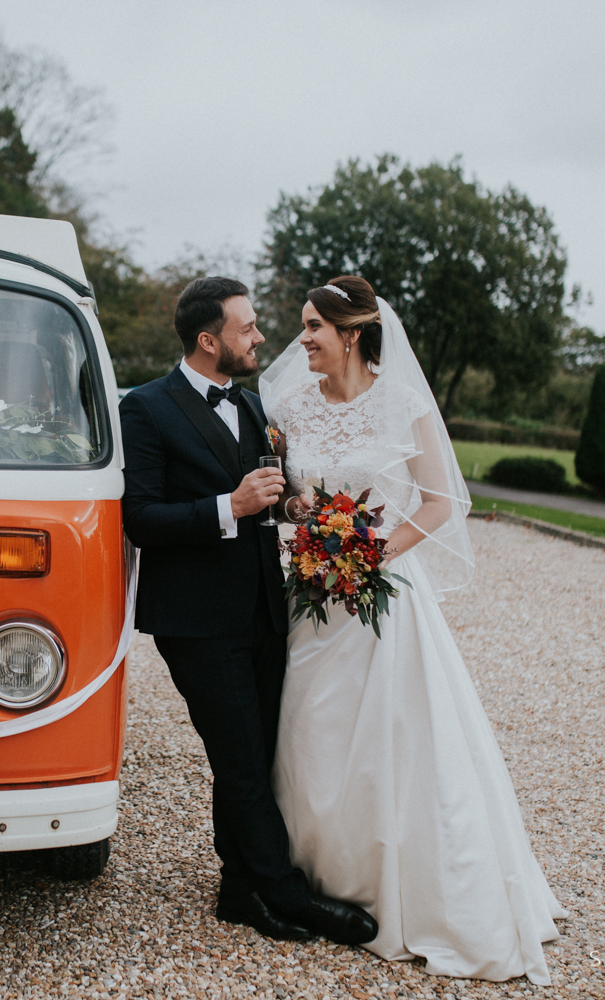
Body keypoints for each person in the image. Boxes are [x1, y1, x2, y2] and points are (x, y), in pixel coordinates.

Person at [261, 275, 567, 983]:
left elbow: (439, 501)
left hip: (381, 595)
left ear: (353, 334)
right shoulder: (290, 407)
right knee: (311, 723)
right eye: (302, 326)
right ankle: (316, 875)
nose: (301, 338)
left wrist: (371, 554)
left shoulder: (402, 405)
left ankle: (401, 888)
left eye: (313, 327)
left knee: (393, 736)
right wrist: (311, 526)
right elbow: (293, 493)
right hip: (312, 594)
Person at [119, 276, 378, 945]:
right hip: (196, 621)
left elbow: (271, 497)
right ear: (209, 341)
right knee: (238, 760)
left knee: (257, 757)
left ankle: (240, 890)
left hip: (266, 610)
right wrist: (227, 507)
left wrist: (288, 508)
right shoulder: (147, 409)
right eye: (248, 328)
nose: (262, 338)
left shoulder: (255, 403)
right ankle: (290, 894)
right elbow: (141, 518)